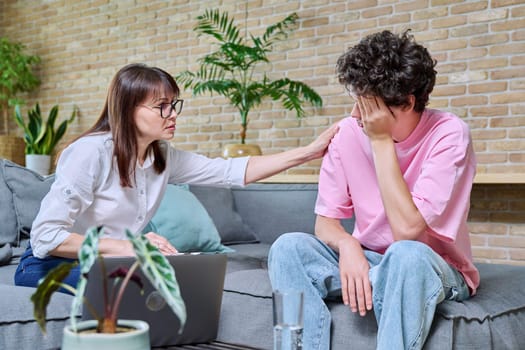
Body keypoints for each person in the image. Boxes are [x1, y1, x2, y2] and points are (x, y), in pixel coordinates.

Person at [14, 63, 338, 290]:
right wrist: (132, 246)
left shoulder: (161, 157)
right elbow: (46, 237)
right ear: (129, 110)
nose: (173, 115)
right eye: (162, 106)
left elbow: (231, 171)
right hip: (46, 265)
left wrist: (308, 152)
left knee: (182, 280)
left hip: (106, 262)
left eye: (174, 104)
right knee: (147, 287)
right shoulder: (91, 153)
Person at [268, 30, 480, 349]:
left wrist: (381, 141)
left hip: (432, 267)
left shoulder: (449, 134)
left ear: (407, 102)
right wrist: (348, 245)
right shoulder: (348, 133)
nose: (356, 116)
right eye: (355, 103)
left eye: (367, 107)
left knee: (405, 255)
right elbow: (325, 223)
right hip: (372, 263)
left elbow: (407, 231)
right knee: (288, 248)